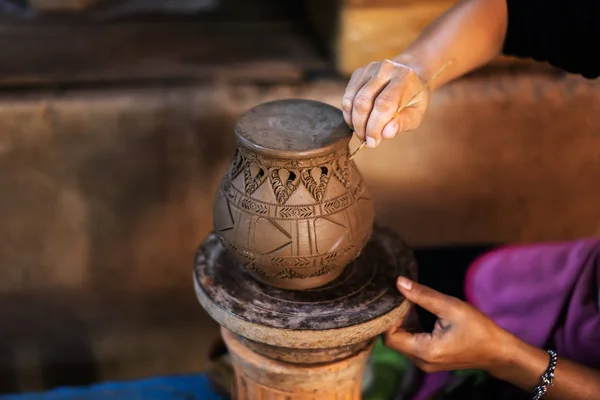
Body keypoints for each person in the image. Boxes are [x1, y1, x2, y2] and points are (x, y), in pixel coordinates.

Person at [342, 0, 600, 399]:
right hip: (576, 283)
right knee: (377, 282)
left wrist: (505, 357)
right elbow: (507, 11)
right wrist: (416, 69)